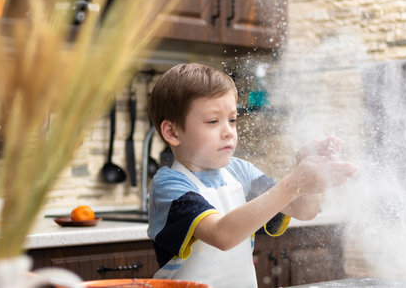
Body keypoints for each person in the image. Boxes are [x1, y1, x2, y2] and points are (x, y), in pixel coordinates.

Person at [147, 63, 357, 288]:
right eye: (212, 121)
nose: (228, 131)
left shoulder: (241, 172)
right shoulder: (169, 185)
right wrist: (296, 181)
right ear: (172, 132)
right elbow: (223, 235)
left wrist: (307, 176)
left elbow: (303, 211)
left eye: (233, 120)